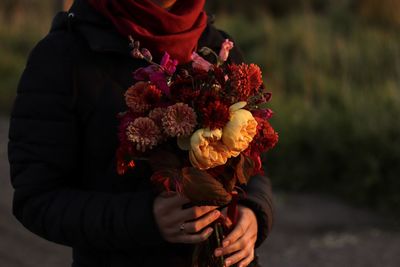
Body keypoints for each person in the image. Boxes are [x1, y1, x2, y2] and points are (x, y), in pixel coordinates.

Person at [7, 0, 274, 266]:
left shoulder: (218, 47)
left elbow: (254, 166)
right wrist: (145, 218)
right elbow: (37, 199)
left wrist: (253, 211)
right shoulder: (63, 56)